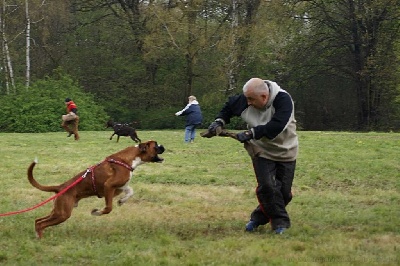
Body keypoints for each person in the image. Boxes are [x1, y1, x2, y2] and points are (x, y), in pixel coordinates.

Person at [206, 78, 298, 234]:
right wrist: (219, 122)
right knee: (267, 187)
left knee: (284, 194)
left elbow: (276, 126)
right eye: (247, 98)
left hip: (286, 150)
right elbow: (229, 107)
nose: (247, 103)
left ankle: (258, 218)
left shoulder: (283, 100)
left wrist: (251, 133)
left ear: (264, 97)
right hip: (260, 150)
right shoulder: (248, 97)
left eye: (251, 99)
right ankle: (280, 223)